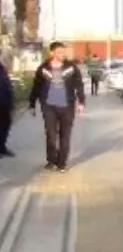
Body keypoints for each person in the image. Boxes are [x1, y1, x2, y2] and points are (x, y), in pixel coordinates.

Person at [28, 41, 86, 172]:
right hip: (49, 106)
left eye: (63, 52)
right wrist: (32, 103)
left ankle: (62, 163)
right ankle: (51, 161)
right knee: (51, 135)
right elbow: (36, 86)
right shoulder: (43, 68)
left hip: (67, 107)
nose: (62, 54)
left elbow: (79, 85)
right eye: (59, 52)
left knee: (65, 136)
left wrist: (81, 102)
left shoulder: (71, 68)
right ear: (52, 53)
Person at [0, 57, 13, 158]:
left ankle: (2, 148)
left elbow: (7, 85)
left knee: (5, 125)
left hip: (4, 103)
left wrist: (10, 103)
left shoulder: (2, 68)